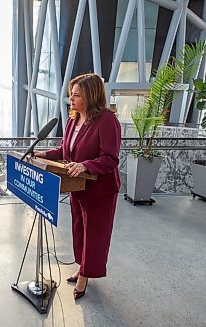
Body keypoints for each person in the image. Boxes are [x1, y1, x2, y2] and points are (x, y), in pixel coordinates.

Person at [34, 73, 121, 300]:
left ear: (91, 96)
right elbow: (65, 150)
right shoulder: (74, 119)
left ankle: (85, 275)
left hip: (100, 190)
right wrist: (43, 153)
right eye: (70, 95)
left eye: (76, 95)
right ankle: (82, 266)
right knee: (79, 230)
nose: (70, 100)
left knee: (94, 234)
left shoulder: (107, 120)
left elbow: (110, 158)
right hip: (78, 187)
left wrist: (84, 165)